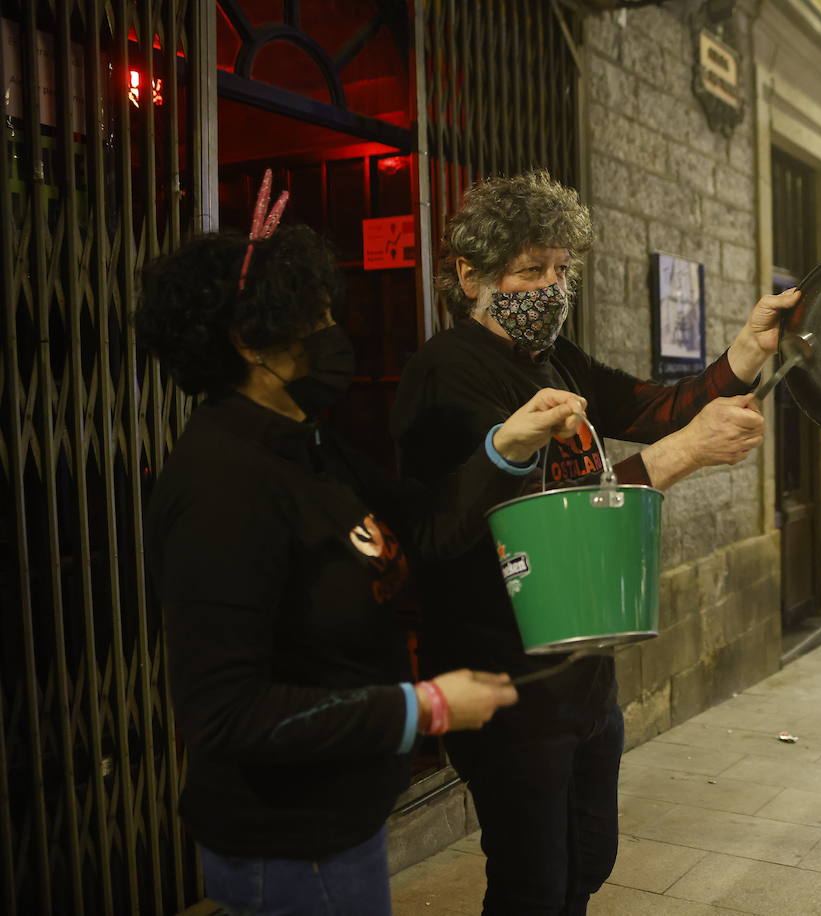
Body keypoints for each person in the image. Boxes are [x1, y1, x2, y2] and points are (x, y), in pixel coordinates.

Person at [136, 218, 588, 912]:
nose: (334, 336)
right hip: (287, 839)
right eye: (313, 321)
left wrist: (508, 447)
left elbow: (431, 523)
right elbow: (225, 713)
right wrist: (424, 707)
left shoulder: (311, 447)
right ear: (249, 343)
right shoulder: (220, 487)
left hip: (345, 817)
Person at [390, 170, 794, 915]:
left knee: (589, 859)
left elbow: (651, 405)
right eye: (530, 269)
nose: (551, 284)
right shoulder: (446, 371)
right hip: (504, 676)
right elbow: (543, 514)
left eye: (561, 268)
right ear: (469, 275)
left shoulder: (560, 359)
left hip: (581, 672)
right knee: (531, 884)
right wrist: (680, 456)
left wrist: (744, 352)